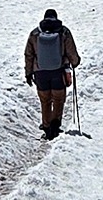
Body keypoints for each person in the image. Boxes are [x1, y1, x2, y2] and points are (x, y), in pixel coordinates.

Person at [22, 9, 81, 139]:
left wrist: (28, 73)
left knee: (45, 100)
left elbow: (29, 54)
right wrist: (75, 62)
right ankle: (55, 124)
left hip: (40, 72)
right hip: (58, 72)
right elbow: (71, 51)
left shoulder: (35, 33)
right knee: (58, 99)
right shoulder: (63, 32)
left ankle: (47, 126)